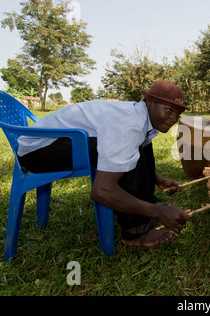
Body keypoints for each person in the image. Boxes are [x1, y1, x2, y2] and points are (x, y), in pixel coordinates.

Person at [17, 81, 191, 248]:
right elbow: (101, 191)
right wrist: (158, 212)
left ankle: (142, 204)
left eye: (177, 114)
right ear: (149, 104)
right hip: (37, 153)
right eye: (169, 110)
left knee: (133, 146)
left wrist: (157, 179)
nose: (173, 118)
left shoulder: (138, 117)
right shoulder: (130, 125)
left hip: (49, 143)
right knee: (124, 148)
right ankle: (135, 232)